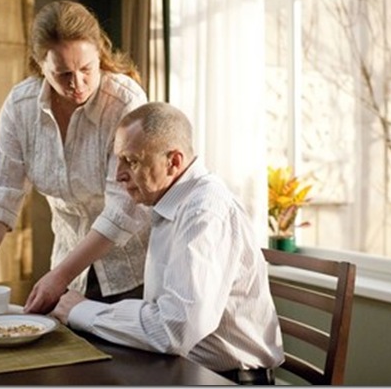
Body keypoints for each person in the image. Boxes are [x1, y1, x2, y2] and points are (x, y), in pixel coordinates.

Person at [53, 102, 284, 385]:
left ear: (174, 162)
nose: (119, 175)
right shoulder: (173, 203)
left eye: (132, 161)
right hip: (186, 371)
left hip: (228, 381)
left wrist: (81, 310)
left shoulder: (204, 211)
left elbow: (176, 328)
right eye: (119, 160)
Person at [0, 0, 151, 316]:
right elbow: (2, 191)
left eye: (86, 69)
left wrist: (59, 277)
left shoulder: (125, 103)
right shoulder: (20, 107)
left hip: (132, 271)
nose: (77, 84)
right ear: (39, 64)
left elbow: (123, 207)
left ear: (100, 54)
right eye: (63, 74)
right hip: (68, 267)